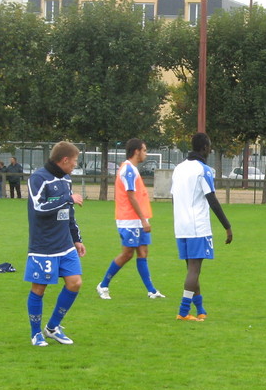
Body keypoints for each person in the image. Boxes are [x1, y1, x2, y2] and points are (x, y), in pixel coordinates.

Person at [25, 141, 85, 346]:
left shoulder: (66, 179)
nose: (75, 165)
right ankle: (35, 333)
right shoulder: (38, 178)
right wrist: (67, 198)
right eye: (74, 161)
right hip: (43, 246)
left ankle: (52, 327)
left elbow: (69, 213)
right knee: (39, 289)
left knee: (75, 282)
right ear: (65, 160)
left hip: (65, 244)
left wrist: (76, 239)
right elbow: (39, 207)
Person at [171, 132, 233, 321]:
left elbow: (174, 197)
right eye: (210, 146)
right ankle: (183, 312)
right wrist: (227, 226)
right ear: (204, 148)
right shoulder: (203, 170)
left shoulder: (178, 169)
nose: (211, 149)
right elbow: (212, 199)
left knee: (191, 269)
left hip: (181, 226)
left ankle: (201, 309)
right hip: (197, 226)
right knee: (194, 270)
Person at [96, 138, 165, 300]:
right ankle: (103, 285)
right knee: (127, 254)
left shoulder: (132, 169)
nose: (146, 154)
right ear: (136, 151)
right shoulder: (128, 170)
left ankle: (151, 291)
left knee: (143, 252)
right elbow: (131, 196)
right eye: (145, 150)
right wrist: (143, 220)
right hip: (129, 220)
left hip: (137, 219)